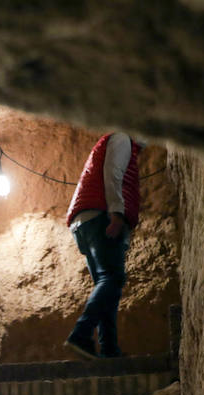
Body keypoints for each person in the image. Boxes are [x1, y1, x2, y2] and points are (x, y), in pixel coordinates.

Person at [63, 131, 143, 360]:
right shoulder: (122, 138)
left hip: (84, 222)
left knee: (107, 286)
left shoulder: (110, 142)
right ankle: (81, 333)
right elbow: (113, 173)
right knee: (113, 279)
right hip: (101, 217)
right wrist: (117, 213)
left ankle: (109, 349)